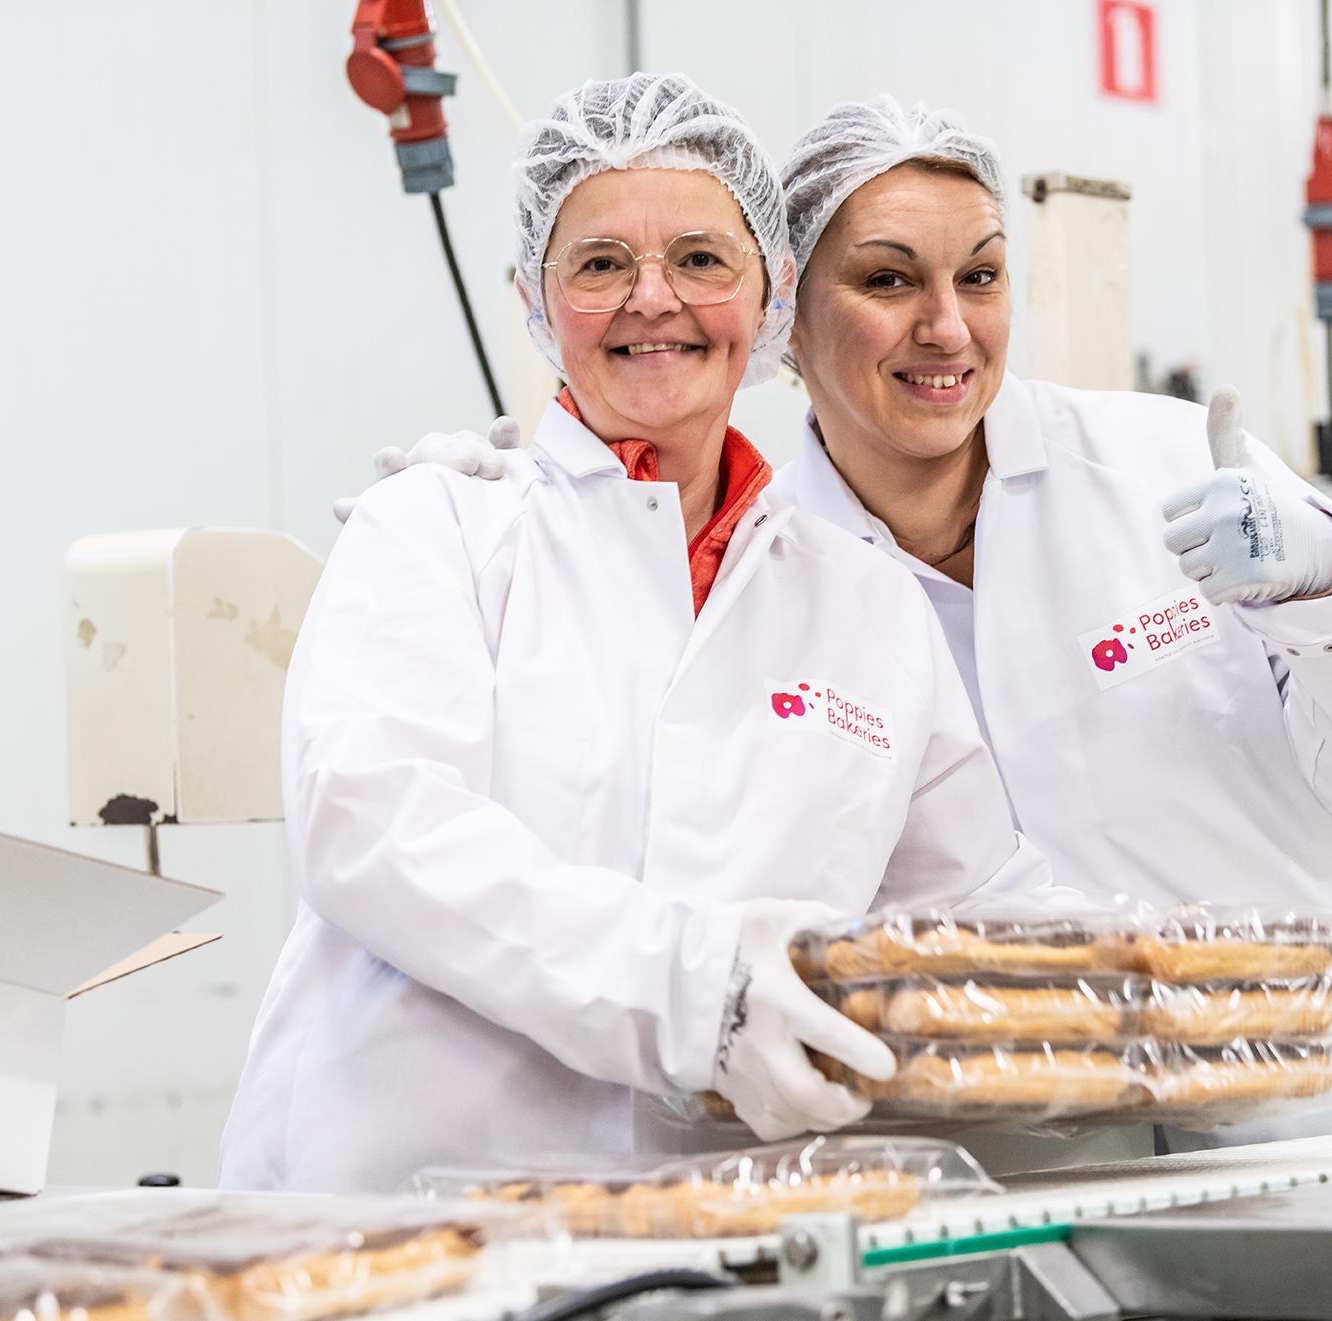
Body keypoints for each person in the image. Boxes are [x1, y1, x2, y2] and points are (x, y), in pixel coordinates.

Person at [376, 96, 1332, 1147]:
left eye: (982, 275)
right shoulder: (765, 583)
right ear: (784, 314)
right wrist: (554, 517)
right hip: (1062, 1178)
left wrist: (1328, 582)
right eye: (888, 279)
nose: (948, 327)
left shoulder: (1166, 466)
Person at [220, 76, 1055, 1194]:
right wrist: (691, 992)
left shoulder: (865, 605)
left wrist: (1188, 1006)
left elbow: (979, 911)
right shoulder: (438, 530)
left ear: (771, 294)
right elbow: (375, 832)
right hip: (404, 1218)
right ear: (536, 298)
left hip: (733, 1230)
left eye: (702, 259)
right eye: (602, 264)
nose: (652, 299)